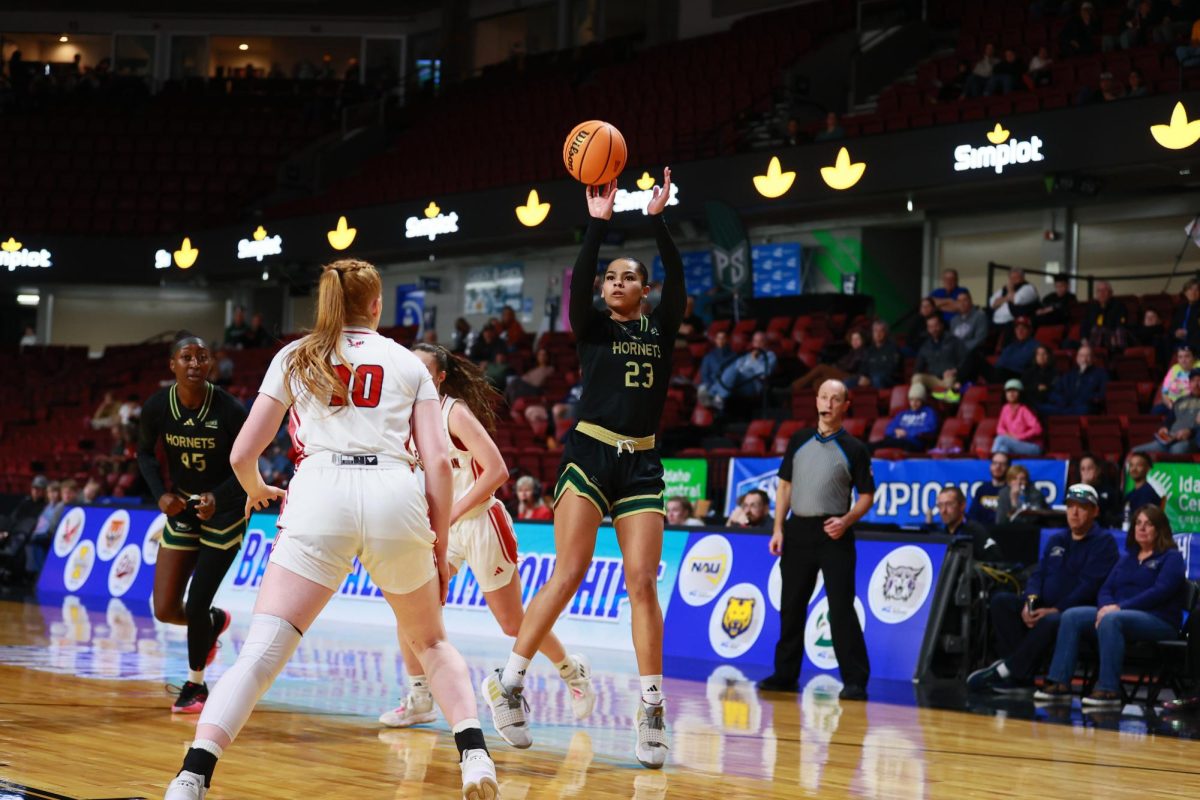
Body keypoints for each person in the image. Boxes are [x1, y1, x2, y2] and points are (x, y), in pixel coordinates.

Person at [162, 259, 499, 799]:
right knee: (432, 642)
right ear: (375, 305)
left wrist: (252, 488)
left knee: (263, 652)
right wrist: (436, 546)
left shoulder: (293, 356)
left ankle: (192, 776)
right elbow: (438, 465)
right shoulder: (407, 362)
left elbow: (243, 451)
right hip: (394, 491)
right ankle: (476, 758)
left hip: (320, 491)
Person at [480, 169, 681, 769]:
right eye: (609, 277)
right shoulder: (592, 327)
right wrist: (596, 226)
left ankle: (651, 709)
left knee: (643, 581)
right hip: (590, 454)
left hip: (642, 460)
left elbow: (682, 280)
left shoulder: (661, 327)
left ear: (645, 291)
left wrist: (657, 220)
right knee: (569, 570)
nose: (615, 282)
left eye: (629, 277)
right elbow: (577, 290)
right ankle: (510, 683)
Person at [381, 343, 596, 730]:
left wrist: (449, 515)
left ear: (440, 378)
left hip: (480, 523)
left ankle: (572, 671)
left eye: (424, 370)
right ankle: (419, 697)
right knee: (409, 610)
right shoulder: (401, 417)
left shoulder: (454, 413)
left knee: (513, 624)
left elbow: (497, 470)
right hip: (439, 529)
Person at [137, 333, 248, 714]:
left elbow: (248, 467)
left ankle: (196, 686)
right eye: (187, 357)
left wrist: (220, 496)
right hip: (182, 505)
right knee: (166, 608)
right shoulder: (157, 406)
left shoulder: (231, 409)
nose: (195, 364)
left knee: (197, 602)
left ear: (211, 364)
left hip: (226, 511)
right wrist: (160, 494)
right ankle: (214, 623)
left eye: (203, 357)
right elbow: (143, 454)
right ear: (173, 365)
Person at [758, 380, 876, 700]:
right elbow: (784, 487)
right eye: (823, 397)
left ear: (845, 406)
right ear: (817, 401)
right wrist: (778, 528)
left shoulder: (854, 448)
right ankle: (784, 675)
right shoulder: (798, 440)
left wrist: (847, 519)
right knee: (791, 606)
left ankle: (855, 680)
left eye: (835, 399)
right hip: (797, 531)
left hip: (833, 533)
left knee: (840, 608)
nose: (828, 403)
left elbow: (867, 495)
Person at [968, 484, 1120, 695]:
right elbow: (1038, 575)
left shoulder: (1104, 542)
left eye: (1082, 507)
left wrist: (1056, 609)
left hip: (1076, 612)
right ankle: (1021, 675)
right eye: (1070, 506)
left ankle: (1010, 670)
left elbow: (1089, 586)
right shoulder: (1058, 539)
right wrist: (1030, 603)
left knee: (1052, 620)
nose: (1074, 512)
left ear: (1095, 511)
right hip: (1046, 605)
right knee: (1001, 601)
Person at [1036, 505, 1187, 706]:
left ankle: (1108, 690)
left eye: (1148, 524)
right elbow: (1105, 588)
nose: (1141, 529)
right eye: (1138, 524)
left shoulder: (1172, 558)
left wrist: (1119, 608)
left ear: (1160, 529)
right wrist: (1106, 607)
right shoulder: (1128, 558)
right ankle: (1060, 683)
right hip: (1118, 615)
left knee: (1112, 620)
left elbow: (1159, 592)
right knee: (1072, 615)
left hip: (1159, 619)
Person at [1133, 368, 1200, 455]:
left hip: (1191, 440)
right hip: (1170, 439)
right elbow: (1169, 419)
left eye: (1199, 380)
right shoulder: (1180, 401)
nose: (1196, 384)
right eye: (1193, 381)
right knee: (1135, 452)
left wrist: (1191, 431)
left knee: (1177, 450)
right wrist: (1164, 428)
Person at [711, 330, 776, 411]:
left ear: (766, 343)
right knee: (730, 368)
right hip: (737, 381)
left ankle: (716, 395)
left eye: (761, 341)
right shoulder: (747, 355)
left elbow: (766, 373)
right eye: (756, 341)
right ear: (753, 343)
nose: (758, 344)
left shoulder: (770, 355)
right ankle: (716, 395)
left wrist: (754, 361)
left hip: (753, 385)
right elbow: (737, 366)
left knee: (733, 371)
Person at [935, 486, 1002, 561]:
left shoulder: (976, 532)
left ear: (962, 505)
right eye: (940, 505)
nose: (943, 510)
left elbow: (995, 560)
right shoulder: (938, 533)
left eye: (949, 504)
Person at [1038, 343, 1107, 416]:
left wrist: (1087, 399)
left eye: (1088, 356)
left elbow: (1102, 394)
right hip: (1066, 406)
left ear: (1093, 358)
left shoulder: (1100, 374)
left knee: (1084, 410)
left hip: (1084, 407)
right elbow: (1056, 391)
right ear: (1077, 358)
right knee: (1041, 407)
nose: (1084, 359)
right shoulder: (1070, 374)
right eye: (1081, 356)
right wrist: (1062, 401)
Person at [910, 315, 966, 399]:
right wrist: (917, 373)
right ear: (928, 329)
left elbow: (965, 360)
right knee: (917, 377)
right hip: (934, 378)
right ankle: (917, 407)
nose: (934, 329)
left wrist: (955, 370)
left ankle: (947, 405)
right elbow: (918, 368)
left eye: (936, 326)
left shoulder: (953, 341)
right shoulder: (925, 346)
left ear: (941, 325)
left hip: (950, 377)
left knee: (950, 382)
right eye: (930, 327)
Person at [871, 383, 938, 453]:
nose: (914, 403)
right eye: (911, 400)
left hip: (913, 443)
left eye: (917, 400)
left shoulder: (929, 412)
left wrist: (907, 433)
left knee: (891, 443)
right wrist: (895, 431)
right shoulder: (902, 413)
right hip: (896, 440)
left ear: (922, 401)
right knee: (871, 446)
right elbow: (889, 429)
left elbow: (929, 429)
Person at [792, 329, 867, 390]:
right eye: (853, 339)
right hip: (843, 372)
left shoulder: (862, 352)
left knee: (821, 367)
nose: (855, 342)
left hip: (851, 376)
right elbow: (842, 363)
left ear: (862, 340)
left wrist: (835, 367)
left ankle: (793, 387)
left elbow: (850, 367)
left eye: (857, 339)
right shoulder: (852, 352)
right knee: (817, 382)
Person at [992, 380, 1043, 456]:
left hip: (1032, 446)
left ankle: (989, 459)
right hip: (1013, 443)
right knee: (1003, 449)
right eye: (1008, 391)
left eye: (1015, 391)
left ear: (1020, 393)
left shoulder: (1025, 409)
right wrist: (1007, 435)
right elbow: (1000, 428)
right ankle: (997, 464)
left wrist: (1018, 437)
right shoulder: (1005, 408)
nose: (1011, 394)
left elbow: (1037, 429)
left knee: (1000, 439)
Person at [1078, 453, 1122, 529]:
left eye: (1090, 468)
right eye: (1083, 469)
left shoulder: (1109, 491)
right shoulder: (1075, 490)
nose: (1086, 472)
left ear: (1098, 470)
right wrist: (1084, 486)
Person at [1081, 281, 1128, 350]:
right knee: (1068, 343)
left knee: (1097, 330)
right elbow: (1084, 325)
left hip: (1111, 337)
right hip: (1092, 338)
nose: (1101, 293)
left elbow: (1120, 325)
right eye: (1099, 291)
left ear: (1110, 293)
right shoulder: (1092, 307)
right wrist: (1084, 339)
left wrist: (1112, 336)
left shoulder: (1119, 306)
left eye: (1104, 290)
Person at [967, 452, 1010, 525]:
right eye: (994, 463)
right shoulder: (982, 489)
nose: (998, 467)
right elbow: (972, 516)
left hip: (1004, 531)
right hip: (983, 532)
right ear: (990, 466)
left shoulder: (1010, 490)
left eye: (1002, 464)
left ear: (1008, 467)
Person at [991, 317, 1038, 383]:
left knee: (1000, 371)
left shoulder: (1035, 346)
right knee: (975, 357)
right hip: (1002, 374)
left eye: (1023, 328)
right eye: (1017, 328)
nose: (1020, 331)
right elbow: (999, 364)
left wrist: (1006, 365)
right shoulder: (1011, 346)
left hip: (1018, 376)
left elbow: (1021, 364)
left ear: (1030, 331)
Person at [697, 330, 737, 407]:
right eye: (719, 338)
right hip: (711, 386)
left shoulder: (734, 356)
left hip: (726, 387)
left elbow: (733, 375)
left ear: (728, 339)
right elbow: (705, 375)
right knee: (703, 388)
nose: (721, 340)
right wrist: (709, 385)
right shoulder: (708, 357)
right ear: (715, 340)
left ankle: (718, 397)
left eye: (723, 338)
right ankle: (713, 398)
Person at [857, 319, 900, 388]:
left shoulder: (893, 348)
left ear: (886, 333)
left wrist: (870, 379)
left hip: (889, 380)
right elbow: (864, 367)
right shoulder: (870, 350)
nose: (878, 334)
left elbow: (892, 370)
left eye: (881, 331)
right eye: (875, 331)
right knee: (848, 382)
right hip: (872, 377)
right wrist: (863, 376)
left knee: (877, 379)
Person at [1123, 452, 1162, 524]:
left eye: (1139, 465)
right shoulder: (1130, 494)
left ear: (1147, 468)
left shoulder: (1148, 494)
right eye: (1131, 465)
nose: (1134, 469)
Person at [1158, 344, 1196, 413]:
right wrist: (1170, 406)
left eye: (1187, 356)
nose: (1183, 360)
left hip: (1191, 406)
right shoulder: (1174, 369)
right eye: (1180, 357)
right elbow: (1164, 393)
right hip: (1172, 405)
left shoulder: (1198, 368)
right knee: (1156, 411)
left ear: (1194, 357)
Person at [948, 290, 988, 355]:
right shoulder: (954, 320)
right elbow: (952, 340)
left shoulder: (980, 316)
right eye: (959, 301)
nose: (962, 303)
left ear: (970, 301)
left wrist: (961, 349)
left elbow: (980, 339)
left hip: (972, 353)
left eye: (965, 300)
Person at [1172, 279, 1200, 353]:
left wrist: (1187, 333)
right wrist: (1175, 333)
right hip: (1180, 339)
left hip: (1194, 338)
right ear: (1185, 293)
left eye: (1196, 290)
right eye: (1190, 289)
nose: (1193, 293)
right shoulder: (1181, 308)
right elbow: (1173, 326)